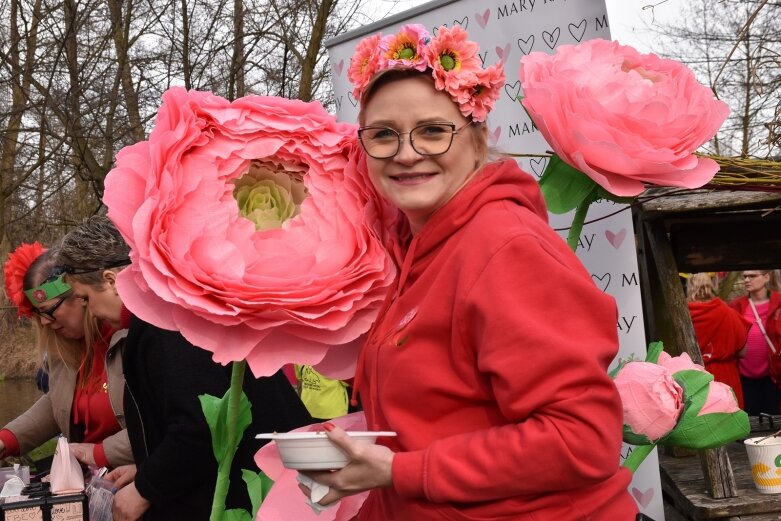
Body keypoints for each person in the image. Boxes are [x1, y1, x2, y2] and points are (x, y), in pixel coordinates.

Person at [298, 24, 638, 520]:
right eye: (384, 135)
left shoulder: (505, 246)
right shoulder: (415, 249)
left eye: (433, 131)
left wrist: (400, 472)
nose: (407, 153)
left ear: (477, 141)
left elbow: (580, 439)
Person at [56, 216, 312, 521]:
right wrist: (147, 468)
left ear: (112, 281)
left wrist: (145, 489)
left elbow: (198, 427)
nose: (93, 313)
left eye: (86, 299)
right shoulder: (175, 307)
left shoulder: (165, 323)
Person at [0, 243, 132, 469]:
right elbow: (59, 402)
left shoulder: (133, 339)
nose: (44, 322)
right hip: (93, 482)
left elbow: (160, 421)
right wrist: (7, 439)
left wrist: (99, 453)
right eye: (38, 314)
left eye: (49, 311)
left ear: (81, 297)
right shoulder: (65, 348)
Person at [686, 273, 750, 408]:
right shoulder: (728, 313)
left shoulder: (682, 316)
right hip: (726, 377)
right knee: (730, 423)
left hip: (694, 377)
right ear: (713, 284)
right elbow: (743, 352)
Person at [730, 270, 781, 415]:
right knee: (750, 420)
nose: (747, 279)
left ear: (766, 277)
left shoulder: (779, 303)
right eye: (745, 276)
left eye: (752, 276)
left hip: (774, 375)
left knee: (775, 419)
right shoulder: (736, 306)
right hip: (744, 376)